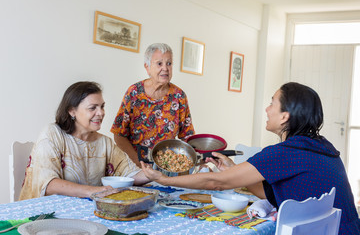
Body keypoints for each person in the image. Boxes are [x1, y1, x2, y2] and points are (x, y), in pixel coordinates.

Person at [141, 82, 360, 234]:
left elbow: (214, 182)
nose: (267, 109)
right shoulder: (322, 147)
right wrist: (234, 170)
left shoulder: (285, 152)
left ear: (285, 116)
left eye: (272, 103)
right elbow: (270, 194)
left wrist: (164, 179)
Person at [19, 81, 150, 200]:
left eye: (102, 106)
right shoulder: (52, 134)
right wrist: (93, 191)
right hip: (46, 217)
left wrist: (156, 173)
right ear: (72, 111)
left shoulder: (104, 142)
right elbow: (47, 184)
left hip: (86, 215)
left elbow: (129, 173)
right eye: (93, 108)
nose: (101, 113)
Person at [110, 43, 195, 167]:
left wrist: (196, 159)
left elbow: (186, 136)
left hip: (167, 166)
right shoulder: (134, 92)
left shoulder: (179, 96)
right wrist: (139, 164)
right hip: (133, 165)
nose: (165, 68)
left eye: (169, 63)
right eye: (159, 63)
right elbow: (119, 134)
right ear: (147, 67)